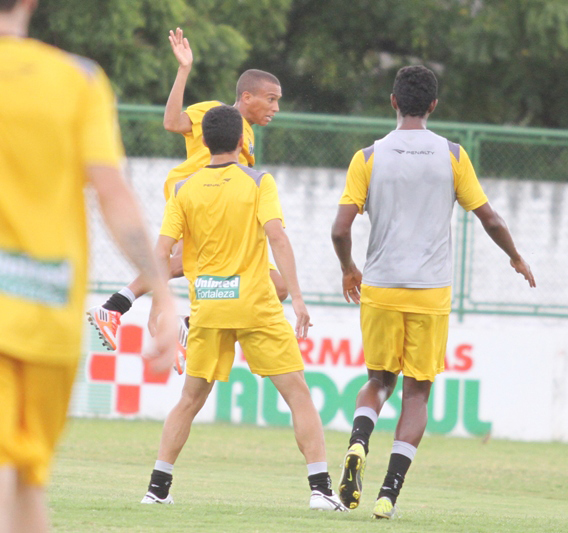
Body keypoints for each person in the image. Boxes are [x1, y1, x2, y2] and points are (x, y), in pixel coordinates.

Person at [0, 1, 178, 531]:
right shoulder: (77, 80)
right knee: (24, 478)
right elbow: (113, 194)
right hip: (47, 317)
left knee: (15, 476)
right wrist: (164, 299)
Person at [331, 65, 536, 519]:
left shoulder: (368, 156)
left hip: (381, 287)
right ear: (433, 106)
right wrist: (515, 256)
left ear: (393, 102)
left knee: (377, 382)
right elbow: (491, 219)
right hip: (430, 292)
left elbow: (340, 228)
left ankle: (359, 444)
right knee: (417, 395)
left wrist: (349, 269)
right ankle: (388, 493)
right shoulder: (451, 155)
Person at [141, 105, 346, 512]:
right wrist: (299, 299)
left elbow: (162, 250)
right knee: (298, 395)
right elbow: (278, 238)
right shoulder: (257, 181)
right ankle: (320, 490)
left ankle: (157, 489)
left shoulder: (184, 189)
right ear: (241, 142)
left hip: (209, 308)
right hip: (255, 307)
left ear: (202, 141)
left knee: (189, 399)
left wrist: (158, 302)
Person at [87, 28, 287, 363]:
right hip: (195, 198)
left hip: (218, 209)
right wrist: (183, 71)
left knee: (273, 285)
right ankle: (118, 310)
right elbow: (171, 121)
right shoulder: (218, 113)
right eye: (271, 99)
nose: (276, 107)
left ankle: (153, 317)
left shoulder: (246, 132)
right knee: (181, 263)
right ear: (247, 97)